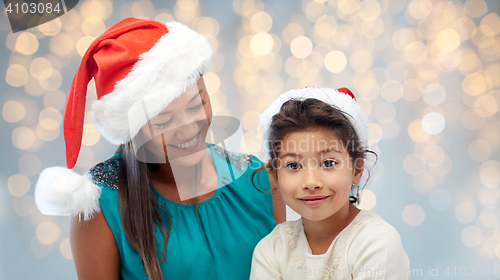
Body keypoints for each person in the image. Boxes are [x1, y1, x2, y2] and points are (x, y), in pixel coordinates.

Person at [34, 18, 285, 280]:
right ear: (132, 128)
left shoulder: (258, 180)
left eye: (196, 104)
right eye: (164, 120)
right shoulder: (99, 205)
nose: (189, 129)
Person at [250, 87, 410, 279]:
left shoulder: (376, 243)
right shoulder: (272, 250)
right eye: (293, 165)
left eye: (328, 163)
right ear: (275, 175)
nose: (311, 182)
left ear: (357, 169)